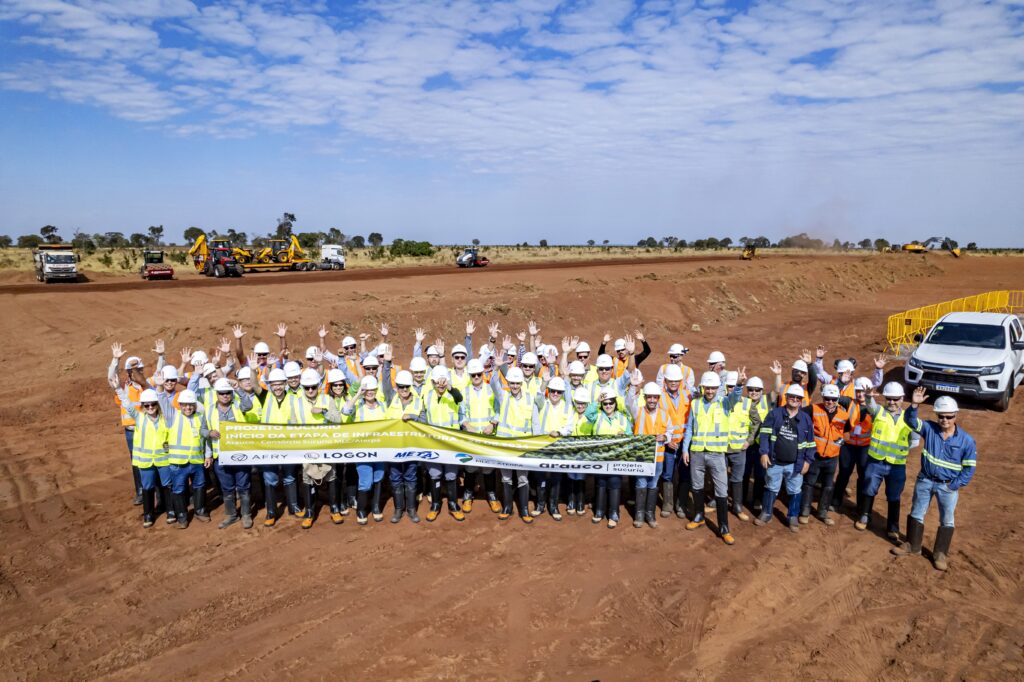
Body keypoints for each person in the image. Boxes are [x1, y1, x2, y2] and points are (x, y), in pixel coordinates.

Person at [891, 395, 976, 571]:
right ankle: (912, 546)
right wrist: (914, 404)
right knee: (916, 512)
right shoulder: (929, 428)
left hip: (948, 486)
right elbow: (910, 420)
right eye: (941, 416)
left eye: (949, 416)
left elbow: (969, 468)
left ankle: (940, 553)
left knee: (947, 519)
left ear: (956, 416)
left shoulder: (966, 440)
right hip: (925, 480)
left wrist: (955, 484)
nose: (944, 420)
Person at [856, 383, 923, 541]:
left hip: (897, 465)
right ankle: (865, 515)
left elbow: (914, 441)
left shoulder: (910, 418)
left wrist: (899, 451)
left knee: (894, 495)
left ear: (902, 399)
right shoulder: (879, 412)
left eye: (895, 399)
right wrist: (868, 396)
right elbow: (871, 405)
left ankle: (893, 526)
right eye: (889, 399)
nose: (892, 402)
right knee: (869, 488)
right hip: (875, 461)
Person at [682, 371, 740, 544]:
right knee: (697, 486)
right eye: (707, 388)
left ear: (718, 388)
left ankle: (724, 528)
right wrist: (686, 449)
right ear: (703, 387)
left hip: (716, 454)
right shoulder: (695, 404)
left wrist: (740, 386)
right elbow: (690, 428)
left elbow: (735, 398)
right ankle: (699, 516)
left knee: (721, 491)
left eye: (713, 388)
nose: (710, 391)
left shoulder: (724, 403)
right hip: (697, 452)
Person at [108, 341, 164, 505]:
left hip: (151, 428)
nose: (136, 372)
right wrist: (115, 360)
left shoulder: (149, 383)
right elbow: (111, 378)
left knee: (157, 459)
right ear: (127, 372)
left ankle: (160, 495)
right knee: (137, 461)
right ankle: (141, 491)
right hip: (132, 431)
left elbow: (160, 373)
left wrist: (161, 356)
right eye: (133, 370)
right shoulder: (123, 387)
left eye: (139, 369)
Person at [754, 384, 816, 532]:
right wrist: (763, 452)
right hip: (774, 461)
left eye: (798, 398)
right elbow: (764, 434)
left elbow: (811, 443)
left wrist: (808, 461)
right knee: (771, 487)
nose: (794, 399)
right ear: (787, 398)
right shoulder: (774, 414)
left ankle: (792, 516)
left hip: (795, 463)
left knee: (795, 490)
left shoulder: (806, 419)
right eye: (792, 397)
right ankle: (767, 512)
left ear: (801, 401)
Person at [334, 375, 389, 525]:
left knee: (378, 477)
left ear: (377, 390)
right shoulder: (357, 406)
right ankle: (362, 510)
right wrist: (358, 394)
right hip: (363, 451)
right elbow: (345, 411)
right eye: (367, 390)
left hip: (380, 450)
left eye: (372, 390)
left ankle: (376, 507)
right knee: (365, 481)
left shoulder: (383, 406)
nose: (370, 392)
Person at [204, 378, 258, 529]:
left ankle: (246, 515)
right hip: (220, 456)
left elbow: (249, 405)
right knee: (227, 488)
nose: (225, 396)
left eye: (228, 393)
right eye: (222, 393)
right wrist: (209, 432)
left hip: (240, 454)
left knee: (244, 485)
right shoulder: (208, 410)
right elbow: (202, 430)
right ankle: (232, 515)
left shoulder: (238, 406)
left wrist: (238, 389)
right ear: (217, 394)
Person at [117, 387, 169, 528]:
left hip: (163, 459)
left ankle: (170, 511)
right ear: (143, 406)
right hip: (145, 461)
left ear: (157, 404)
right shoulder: (139, 417)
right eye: (147, 405)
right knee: (148, 487)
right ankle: (148, 514)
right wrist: (118, 389)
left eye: (153, 404)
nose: (150, 407)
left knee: (166, 485)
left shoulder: (165, 419)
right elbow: (127, 404)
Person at [798, 383, 850, 526]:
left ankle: (823, 512)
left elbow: (847, 431)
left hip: (832, 457)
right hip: (815, 456)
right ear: (823, 397)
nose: (830, 402)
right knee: (809, 483)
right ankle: (805, 511)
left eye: (833, 399)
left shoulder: (844, 415)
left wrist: (839, 442)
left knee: (828, 486)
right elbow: (797, 416)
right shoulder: (813, 409)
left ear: (837, 399)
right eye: (827, 399)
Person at [421, 366, 466, 522]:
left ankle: (453, 504)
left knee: (451, 475)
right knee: (434, 474)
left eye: (443, 381)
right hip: (433, 443)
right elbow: (422, 416)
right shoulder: (426, 396)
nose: (440, 384)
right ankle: (435, 504)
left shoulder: (453, 395)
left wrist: (449, 386)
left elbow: (459, 398)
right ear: (432, 382)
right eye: (436, 382)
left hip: (450, 444)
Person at [260, 367, 303, 527]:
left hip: (288, 445)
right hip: (268, 446)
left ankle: (293, 506)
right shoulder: (265, 397)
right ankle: (271, 511)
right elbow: (255, 386)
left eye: (280, 384)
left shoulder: (293, 399)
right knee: (269, 478)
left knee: (290, 476)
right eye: (273, 384)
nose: (277, 387)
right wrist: (252, 370)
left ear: (285, 384)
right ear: (269, 385)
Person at [491, 366, 534, 523]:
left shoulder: (530, 398)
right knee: (506, 478)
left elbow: (534, 423)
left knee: (523, 478)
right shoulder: (504, 397)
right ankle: (507, 507)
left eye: (517, 383)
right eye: (512, 383)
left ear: (521, 383)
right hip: (506, 446)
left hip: (522, 446)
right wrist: (496, 369)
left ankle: (523, 509)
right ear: (508, 383)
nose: (514, 386)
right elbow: (493, 383)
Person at [627, 377, 671, 529]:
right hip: (641, 457)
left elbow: (670, 431)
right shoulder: (637, 412)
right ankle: (639, 514)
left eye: (655, 397)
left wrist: (665, 436)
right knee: (641, 482)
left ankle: (650, 513)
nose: (652, 400)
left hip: (658, 457)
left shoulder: (665, 414)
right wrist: (633, 386)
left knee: (653, 483)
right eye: (649, 397)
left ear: (658, 398)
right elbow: (629, 402)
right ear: (645, 398)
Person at [163, 389, 210, 529]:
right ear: (180, 405)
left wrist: (207, 455)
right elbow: (163, 402)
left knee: (200, 486)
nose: (188, 408)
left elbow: (206, 438)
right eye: (184, 405)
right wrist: (160, 387)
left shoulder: (200, 417)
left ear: (195, 405)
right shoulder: (173, 416)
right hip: (178, 463)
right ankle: (182, 516)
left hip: (196, 461)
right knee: (178, 489)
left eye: (191, 405)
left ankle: (200, 511)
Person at [382, 369, 424, 523]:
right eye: (401, 387)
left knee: (411, 477)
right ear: (397, 387)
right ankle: (399, 509)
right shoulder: (391, 398)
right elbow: (386, 384)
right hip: (393, 448)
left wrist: (413, 417)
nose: (404, 390)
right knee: (395, 477)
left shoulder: (418, 401)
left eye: (407, 386)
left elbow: (425, 423)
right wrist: (386, 365)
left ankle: (411, 509)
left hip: (411, 448)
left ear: (411, 386)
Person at [532, 376, 573, 520]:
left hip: (558, 447)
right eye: (553, 391)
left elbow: (569, 427)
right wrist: (544, 382)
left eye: (559, 392)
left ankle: (554, 506)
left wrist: (560, 432)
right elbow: (538, 397)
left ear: (562, 393)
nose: (555, 394)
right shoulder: (543, 403)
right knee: (541, 477)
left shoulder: (567, 406)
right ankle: (540, 505)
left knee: (556, 477)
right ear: (548, 391)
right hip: (542, 446)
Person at [460, 359, 498, 513]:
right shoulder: (465, 392)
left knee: (489, 468)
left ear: (483, 374)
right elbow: (461, 414)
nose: (476, 377)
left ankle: (491, 495)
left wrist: (493, 423)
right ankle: (468, 496)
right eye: (473, 374)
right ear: (469, 375)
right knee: (470, 467)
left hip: (488, 435)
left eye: (478, 374)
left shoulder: (491, 390)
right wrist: (467, 425)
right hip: (472, 437)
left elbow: (499, 409)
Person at [724, 370, 762, 523]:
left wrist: (750, 440)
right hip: (722, 447)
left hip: (740, 449)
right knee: (720, 477)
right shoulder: (721, 401)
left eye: (734, 386)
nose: (732, 389)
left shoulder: (748, 403)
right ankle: (717, 499)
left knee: (737, 478)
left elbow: (757, 422)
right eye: (729, 386)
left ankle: (737, 506)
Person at [591, 388, 629, 529]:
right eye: (605, 403)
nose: (608, 406)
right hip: (600, 457)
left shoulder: (622, 418)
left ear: (615, 403)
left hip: (616, 458)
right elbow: (588, 414)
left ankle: (613, 513)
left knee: (614, 482)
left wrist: (623, 435)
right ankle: (599, 511)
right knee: (600, 482)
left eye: (611, 403)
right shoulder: (598, 416)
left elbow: (630, 435)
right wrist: (597, 401)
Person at [658, 363, 692, 519]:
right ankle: (668, 503)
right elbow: (657, 422)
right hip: (669, 444)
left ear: (681, 381)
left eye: (676, 380)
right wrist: (667, 440)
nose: (673, 383)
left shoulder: (688, 396)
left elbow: (692, 422)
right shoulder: (660, 398)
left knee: (685, 474)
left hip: (685, 443)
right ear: (665, 380)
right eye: (670, 380)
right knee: (667, 474)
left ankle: (681, 504)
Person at [740, 376, 772, 516]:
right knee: (744, 472)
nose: (753, 392)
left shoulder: (767, 400)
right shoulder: (743, 402)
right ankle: (740, 498)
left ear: (762, 391)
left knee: (760, 474)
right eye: (751, 390)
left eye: (757, 390)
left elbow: (777, 390)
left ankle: (757, 499)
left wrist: (777, 375)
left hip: (762, 445)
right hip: (746, 444)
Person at [566, 387, 594, 515]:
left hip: (584, 453)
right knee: (571, 475)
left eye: (583, 403)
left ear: (587, 404)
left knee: (581, 476)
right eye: (578, 403)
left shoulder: (590, 418)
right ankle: (571, 501)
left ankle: (581, 502)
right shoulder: (570, 415)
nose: (580, 406)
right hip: (571, 451)